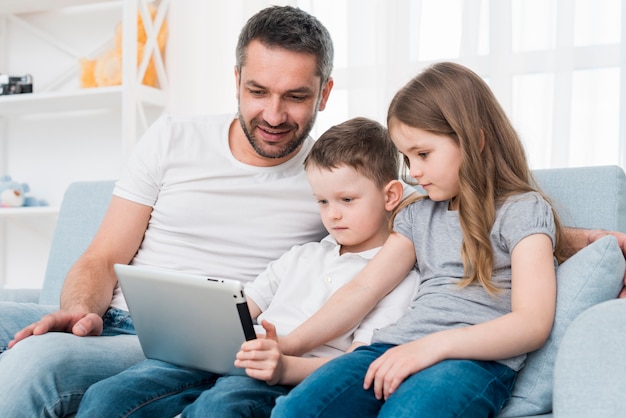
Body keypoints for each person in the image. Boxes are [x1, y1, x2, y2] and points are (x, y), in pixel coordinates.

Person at [0, 6, 335, 417]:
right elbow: (104, 256)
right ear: (236, 82)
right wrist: (81, 310)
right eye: (258, 91)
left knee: (34, 364)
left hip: (186, 354)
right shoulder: (173, 137)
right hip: (110, 319)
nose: (273, 114)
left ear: (324, 93)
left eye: (296, 96)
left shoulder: (334, 178)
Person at [271, 62, 568, 418]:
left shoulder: (523, 210)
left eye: (423, 154)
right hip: (390, 348)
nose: (413, 172)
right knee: (297, 411)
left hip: (469, 362)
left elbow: (531, 324)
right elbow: (362, 290)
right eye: (406, 158)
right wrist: (287, 345)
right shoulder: (417, 215)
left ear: (474, 140)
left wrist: (432, 348)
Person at [76, 117, 419, 417]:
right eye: (322, 201)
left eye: (346, 200)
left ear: (390, 196)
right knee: (107, 396)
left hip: (293, 375)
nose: (333, 214)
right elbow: (241, 308)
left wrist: (285, 367)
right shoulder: (303, 256)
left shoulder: (399, 279)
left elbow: (356, 366)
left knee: (220, 407)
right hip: (239, 357)